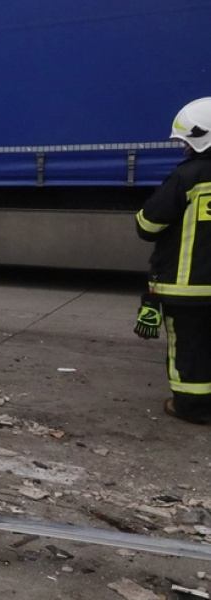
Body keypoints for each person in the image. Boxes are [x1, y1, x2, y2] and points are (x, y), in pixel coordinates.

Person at [134, 97, 211, 425]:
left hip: (188, 287)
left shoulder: (187, 177)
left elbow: (148, 225)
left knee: (189, 349)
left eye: (185, 142)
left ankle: (191, 406)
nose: (183, 149)